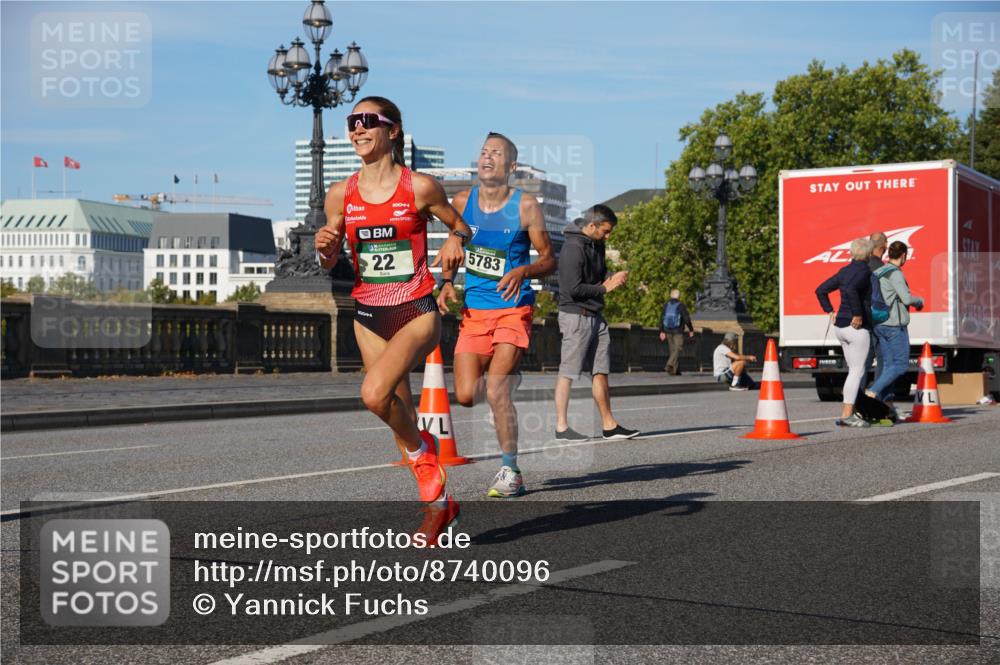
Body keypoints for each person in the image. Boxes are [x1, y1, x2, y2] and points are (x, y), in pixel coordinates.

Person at [314, 96, 472, 539]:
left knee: (372, 393)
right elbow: (330, 261)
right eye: (352, 122)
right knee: (396, 414)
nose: (357, 129)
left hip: (415, 308)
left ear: (393, 130)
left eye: (368, 121)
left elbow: (462, 226)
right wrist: (324, 250)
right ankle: (440, 506)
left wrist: (455, 240)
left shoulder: (420, 187)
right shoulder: (340, 194)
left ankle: (425, 460)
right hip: (368, 314)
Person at [437, 132, 555, 498]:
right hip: (475, 311)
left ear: (511, 165)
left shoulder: (526, 206)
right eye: (484, 152)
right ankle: (509, 379)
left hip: (513, 308)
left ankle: (510, 470)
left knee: (496, 391)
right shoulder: (461, 201)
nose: (487, 157)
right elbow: (453, 246)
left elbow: (548, 259)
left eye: (497, 153)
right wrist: (446, 282)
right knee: (466, 395)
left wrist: (524, 270)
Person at [553, 205, 639, 441]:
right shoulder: (572, 248)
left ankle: (609, 425)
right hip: (575, 316)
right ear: (592, 225)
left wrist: (613, 279)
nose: (608, 237)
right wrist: (604, 288)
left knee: (601, 372)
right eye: (605, 231)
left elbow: (599, 279)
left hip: (596, 316)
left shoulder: (597, 245)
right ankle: (561, 427)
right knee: (568, 372)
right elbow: (573, 289)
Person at [815, 237, 873, 428]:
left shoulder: (844, 270)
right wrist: (857, 314)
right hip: (856, 327)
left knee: (853, 371)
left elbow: (821, 290)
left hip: (840, 327)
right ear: (869, 254)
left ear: (851, 253)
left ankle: (852, 411)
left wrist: (829, 311)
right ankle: (847, 415)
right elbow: (852, 289)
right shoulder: (865, 271)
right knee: (857, 371)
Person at [865, 240, 923, 422]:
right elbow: (906, 299)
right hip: (894, 325)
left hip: (879, 324)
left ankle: (883, 407)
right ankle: (872, 392)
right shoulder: (895, 273)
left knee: (888, 367)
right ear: (903, 255)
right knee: (900, 365)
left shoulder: (879, 271)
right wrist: (919, 301)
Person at [659, 289, 695, 375]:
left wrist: (662, 331)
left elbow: (662, 318)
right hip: (678, 331)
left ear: (671, 295)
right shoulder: (680, 305)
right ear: (679, 296)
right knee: (678, 348)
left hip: (668, 330)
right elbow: (686, 318)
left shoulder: (666, 305)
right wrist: (691, 329)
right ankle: (669, 364)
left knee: (673, 350)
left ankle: (674, 370)